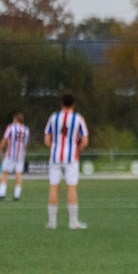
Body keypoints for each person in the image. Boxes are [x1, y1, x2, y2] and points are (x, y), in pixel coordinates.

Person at [45, 94, 89, 230]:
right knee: (71, 187)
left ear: (61, 103)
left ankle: (52, 222)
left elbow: (47, 140)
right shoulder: (78, 118)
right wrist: (77, 150)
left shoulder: (53, 117)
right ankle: (73, 222)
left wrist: (54, 149)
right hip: (71, 158)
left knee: (53, 187)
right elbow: (85, 141)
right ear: (74, 104)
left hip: (55, 157)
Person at [0, 111, 30, 201]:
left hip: (10, 155)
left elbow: (4, 140)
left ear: (15, 119)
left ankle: (2, 193)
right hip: (20, 156)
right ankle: (17, 195)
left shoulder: (11, 127)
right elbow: (26, 145)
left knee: (4, 172)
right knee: (18, 174)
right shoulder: (26, 129)